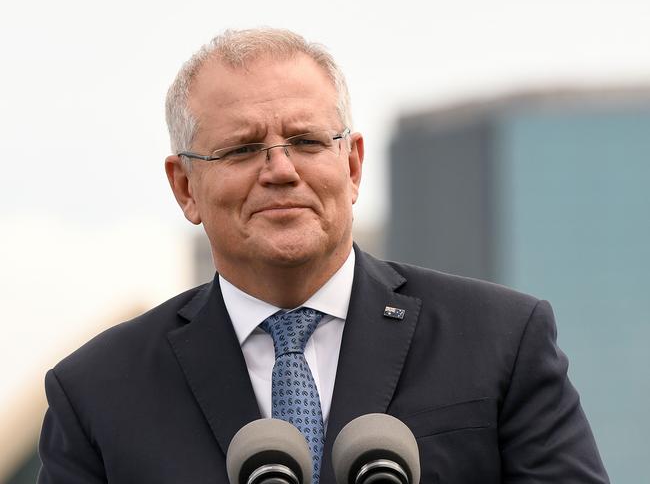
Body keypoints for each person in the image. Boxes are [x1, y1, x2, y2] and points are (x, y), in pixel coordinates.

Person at [37, 28, 609, 483]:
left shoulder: (500, 340)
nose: (280, 171)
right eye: (242, 149)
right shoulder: (96, 392)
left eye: (307, 141)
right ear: (185, 187)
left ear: (353, 165)